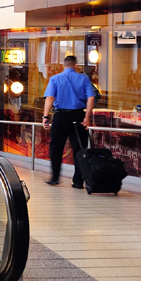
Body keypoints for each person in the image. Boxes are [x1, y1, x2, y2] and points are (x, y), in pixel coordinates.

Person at [42, 55, 96, 188]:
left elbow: (49, 98)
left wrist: (45, 117)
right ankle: (78, 181)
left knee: (56, 146)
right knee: (79, 148)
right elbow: (91, 99)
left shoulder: (55, 79)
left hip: (61, 116)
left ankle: (55, 177)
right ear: (75, 65)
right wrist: (87, 117)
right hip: (78, 116)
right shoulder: (83, 78)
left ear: (63, 65)